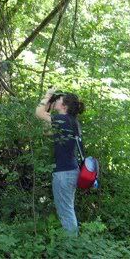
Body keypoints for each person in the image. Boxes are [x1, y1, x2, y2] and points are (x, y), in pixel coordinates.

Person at [35, 88, 85, 235]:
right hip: (70, 171)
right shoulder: (72, 121)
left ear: (64, 106)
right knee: (66, 209)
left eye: (59, 100)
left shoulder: (63, 119)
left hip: (64, 173)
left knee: (66, 211)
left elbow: (38, 113)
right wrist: (48, 111)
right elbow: (47, 132)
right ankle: (72, 243)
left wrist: (47, 95)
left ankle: (72, 247)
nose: (56, 101)